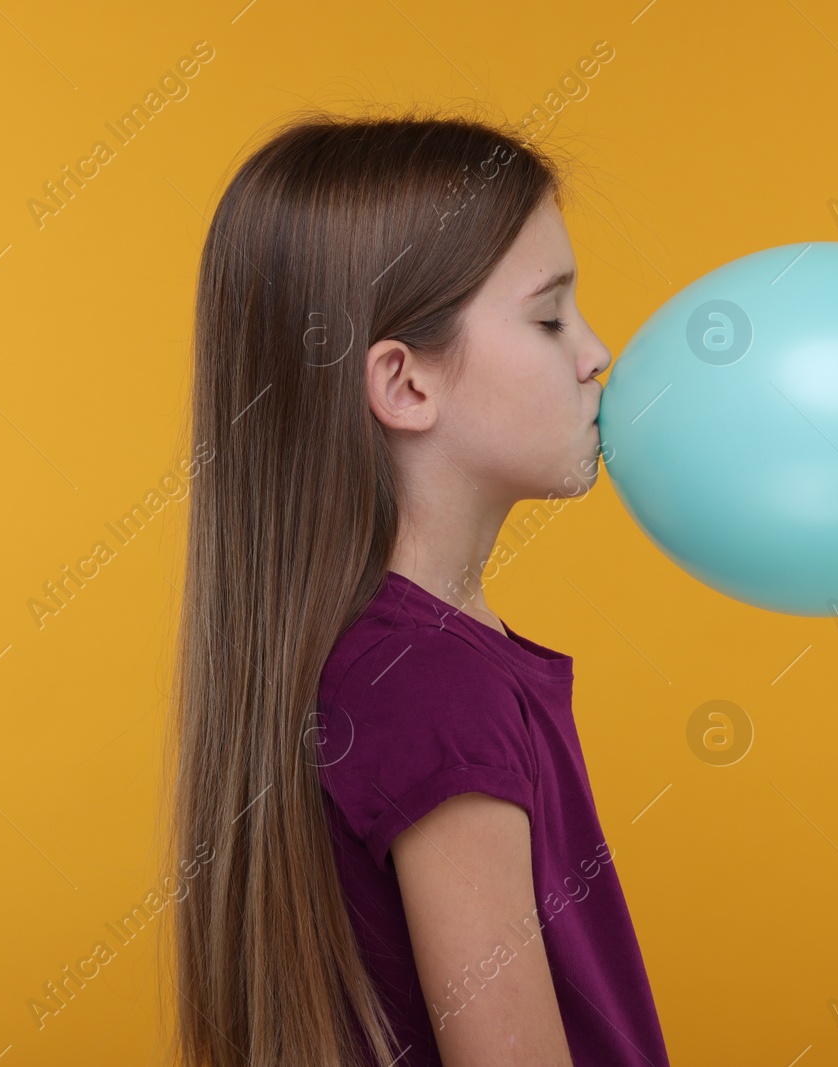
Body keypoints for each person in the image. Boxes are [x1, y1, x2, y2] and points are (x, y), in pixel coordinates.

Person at [167, 106, 670, 1067]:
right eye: (549, 314)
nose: (596, 352)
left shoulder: (399, 663)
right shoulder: (433, 686)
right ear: (403, 385)